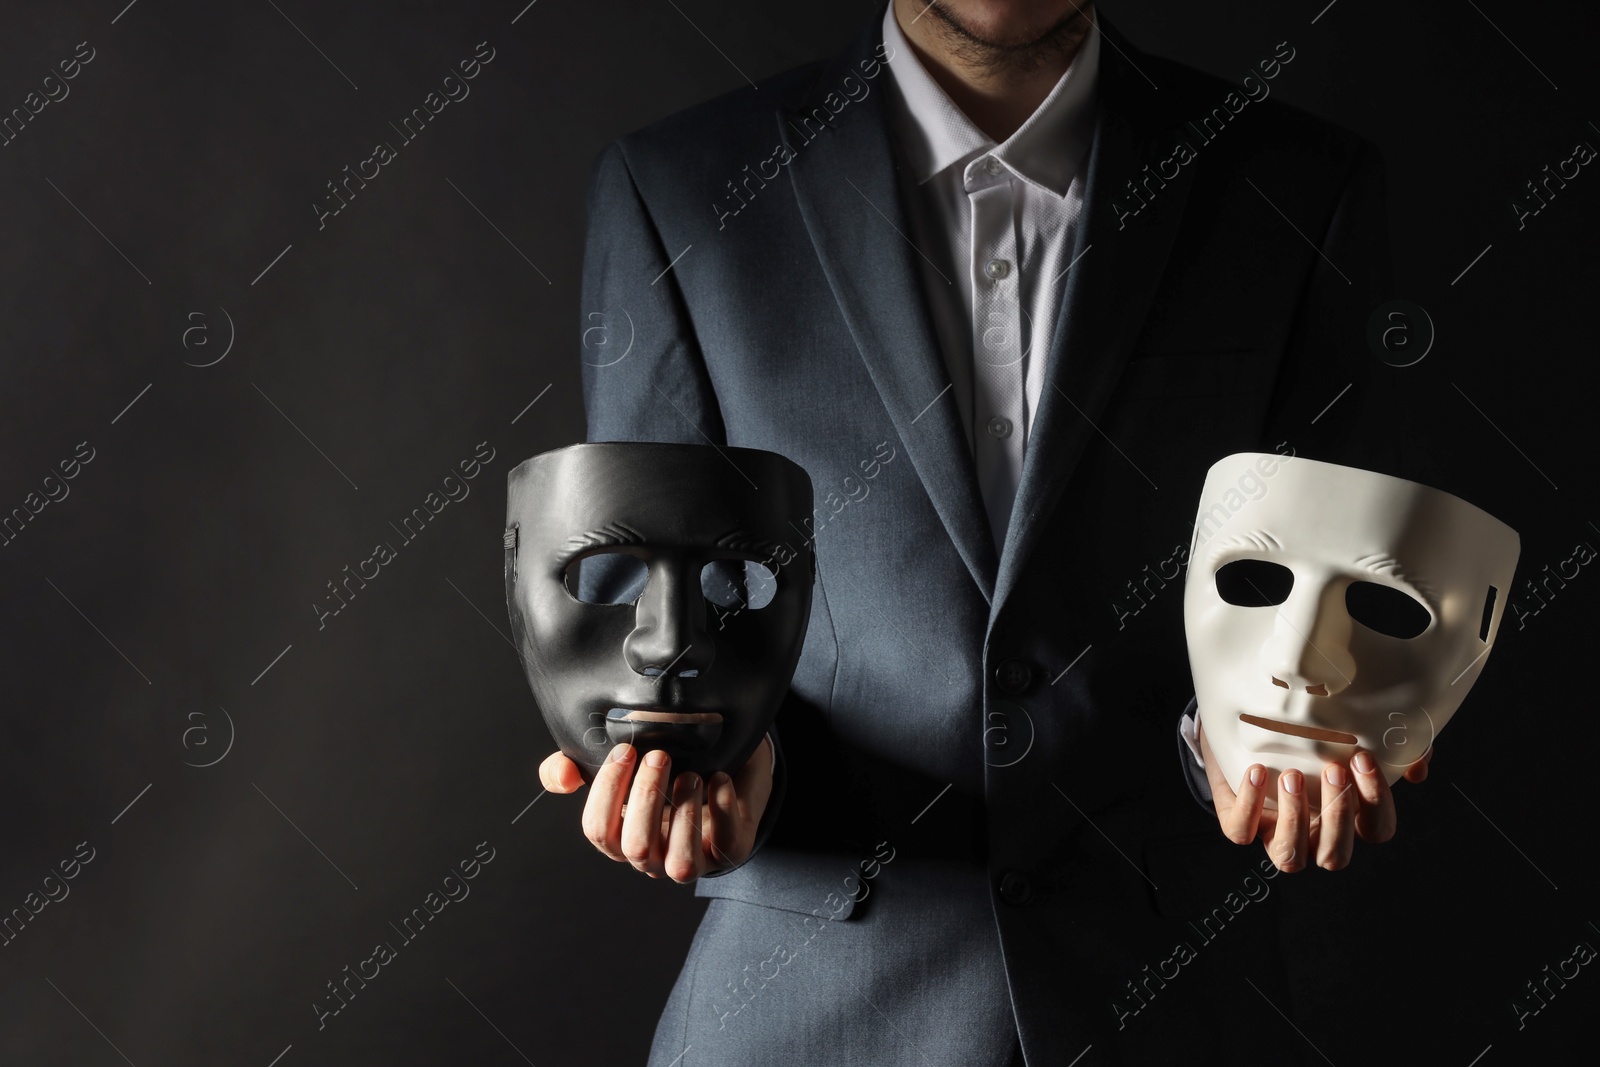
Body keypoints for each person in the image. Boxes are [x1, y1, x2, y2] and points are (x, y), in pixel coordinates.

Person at [539, 2, 1430, 1063]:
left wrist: (1250, 748)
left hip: (1178, 1015)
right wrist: (716, 762)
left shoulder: (1298, 184)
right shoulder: (676, 188)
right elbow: (662, 616)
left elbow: (1332, 601)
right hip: (801, 1025)